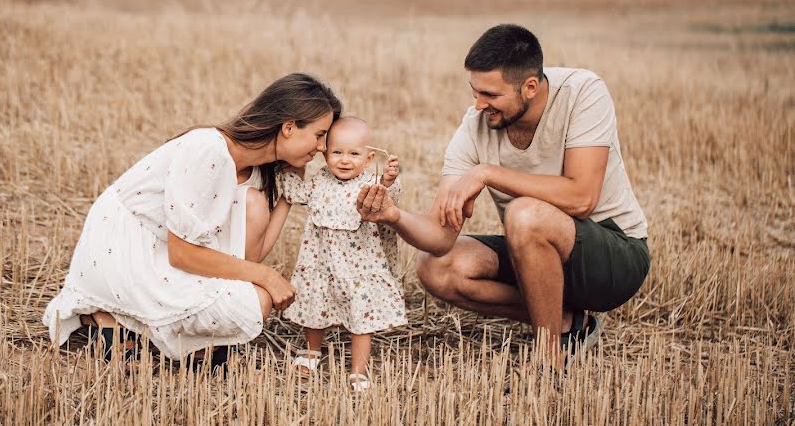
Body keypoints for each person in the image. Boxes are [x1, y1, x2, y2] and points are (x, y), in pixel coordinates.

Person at [357, 24, 649, 366]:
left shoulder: (583, 91)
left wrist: (487, 172)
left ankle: (548, 362)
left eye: (491, 95)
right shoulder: (475, 126)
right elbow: (439, 238)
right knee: (436, 267)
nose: (479, 105)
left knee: (524, 214)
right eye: (475, 91)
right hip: (536, 257)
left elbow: (582, 198)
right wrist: (393, 215)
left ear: (529, 87)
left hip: (615, 257)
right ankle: (569, 322)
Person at [43, 73, 342, 366]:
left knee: (252, 287)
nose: (322, 148)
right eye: (319, 135)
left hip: (166, 254)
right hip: (127, 249)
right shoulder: (207, 150)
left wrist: (286, 199)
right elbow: (182, 253)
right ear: (289, 127)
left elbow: (247, 258)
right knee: (258, 301)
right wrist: (267, 276)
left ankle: (140, 327)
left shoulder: (255, 172)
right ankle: (110, 312)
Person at [277, 117, 406, 390]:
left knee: (361, 318)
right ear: (325, 153)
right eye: (337, 152)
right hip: (320, 262)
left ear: (370, 158)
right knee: (315, 304)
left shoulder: (370, 185)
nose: (345, 160)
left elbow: (388, 200)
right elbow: (296, 193)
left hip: (358, 268)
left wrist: (389, 180)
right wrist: (287, 169)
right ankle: (312, 350)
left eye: (354, 154)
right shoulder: (319, 181)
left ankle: (358, 370)